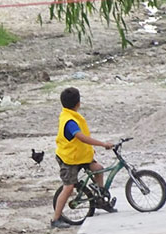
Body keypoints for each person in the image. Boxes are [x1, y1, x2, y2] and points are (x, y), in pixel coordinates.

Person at [51, 87, 114, 229]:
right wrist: (103, 144)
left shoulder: (71, 115)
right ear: (78, 103)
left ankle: (101, 200)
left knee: (98, 169)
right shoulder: (70, 121)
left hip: (80, 156)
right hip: (69, 159)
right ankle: (55, 219)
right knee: (68, 188)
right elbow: (82, 138)